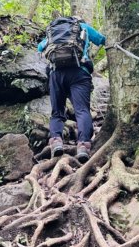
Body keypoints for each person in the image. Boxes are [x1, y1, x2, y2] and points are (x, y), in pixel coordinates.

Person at [38, 15, 106, 162]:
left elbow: (40, 47)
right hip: (79, 72)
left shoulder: (54, 32)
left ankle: (56, 141)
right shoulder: (83, 27)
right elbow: (101, 39)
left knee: (57, 112)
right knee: (81, 110)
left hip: (56, 73)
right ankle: (83, 146)